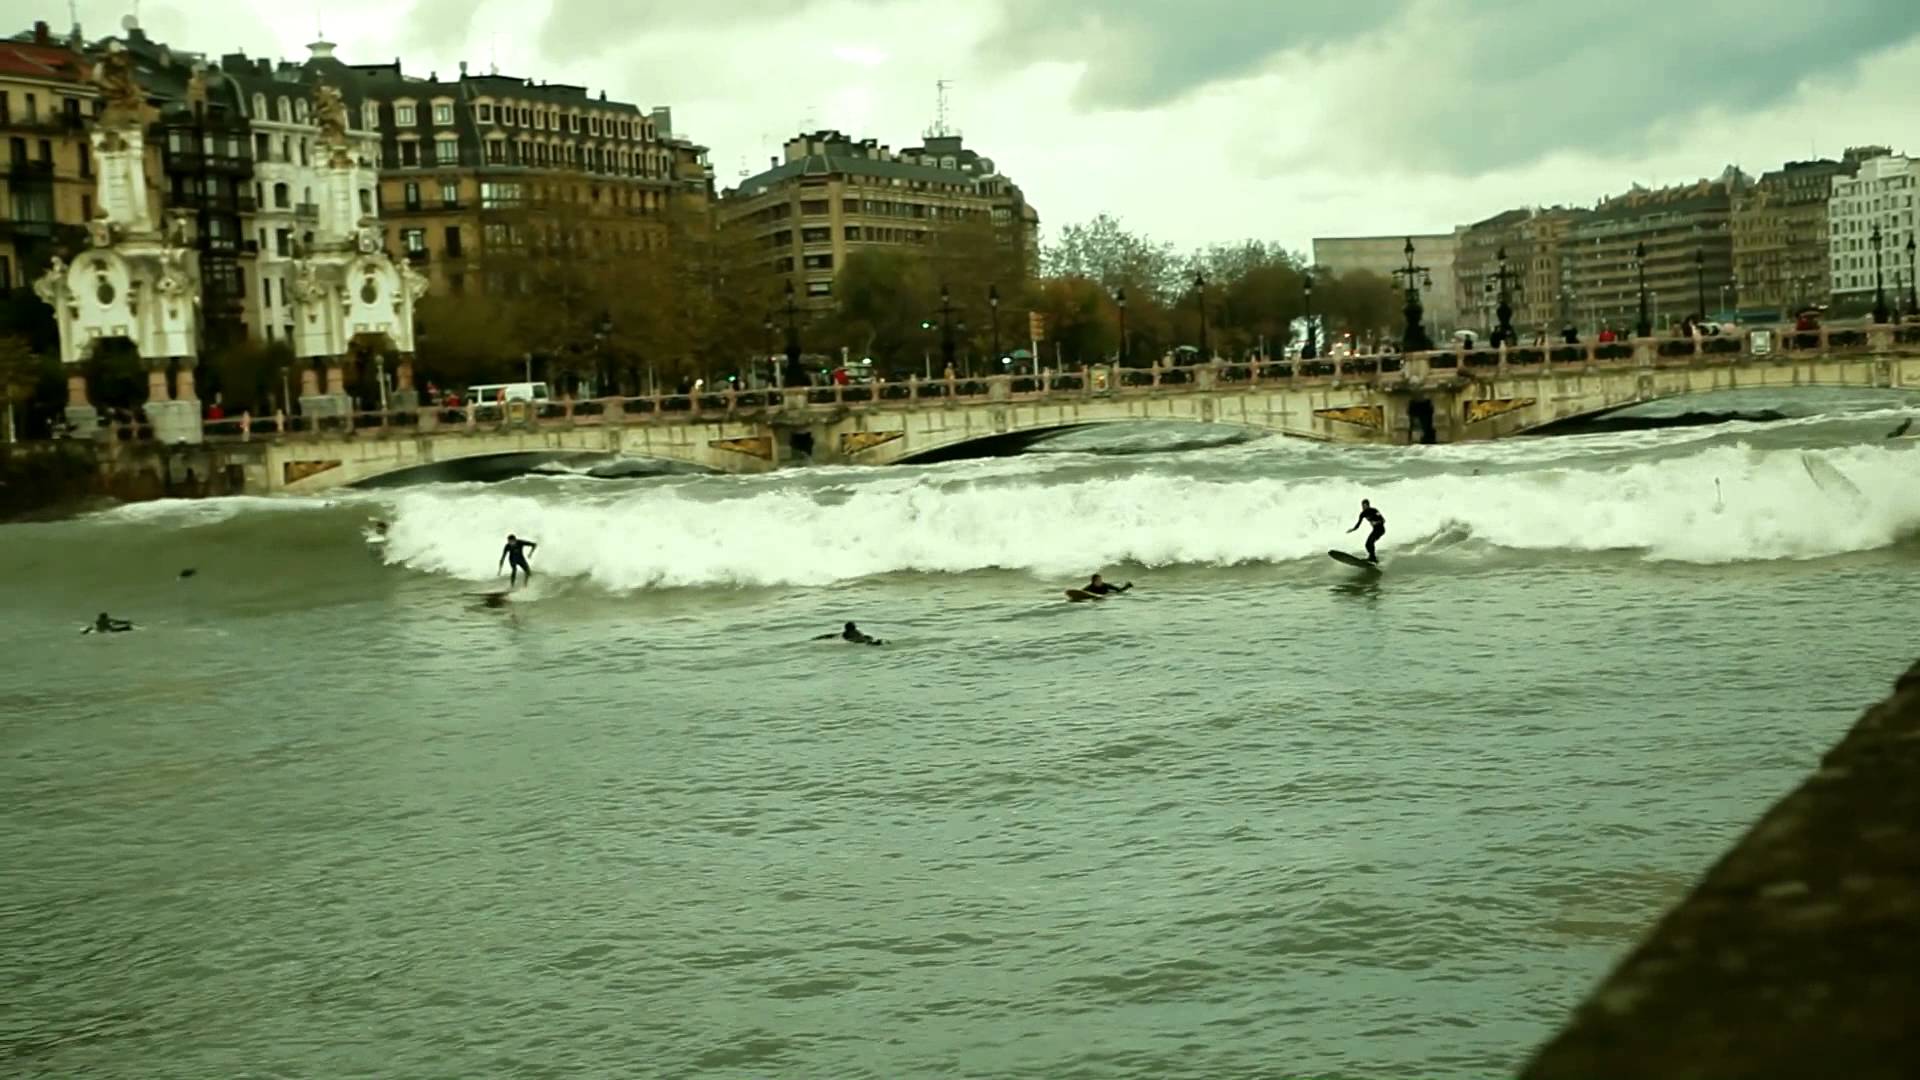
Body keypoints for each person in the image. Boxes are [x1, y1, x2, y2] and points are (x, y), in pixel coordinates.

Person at [1347, 499, 1387, 563]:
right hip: (1375, 530)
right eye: (1363, 506)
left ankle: (1373, 558)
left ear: (1368, 505)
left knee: (1371, 542)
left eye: (1365, 506)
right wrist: (1352, 529)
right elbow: (1358, 524)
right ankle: (1372, 558)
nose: (1364, 507)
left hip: (1381, 530)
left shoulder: (1374, 510)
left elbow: (1383, 520)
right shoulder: (1362, 514)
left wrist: (1376, 522)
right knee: (1367, 545)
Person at [815, 621, 884, 646]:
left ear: (846, 627)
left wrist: (818, 638)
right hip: (864, 639)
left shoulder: (846, 633)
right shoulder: (858, 632)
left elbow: (830, 636)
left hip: (858, 641)